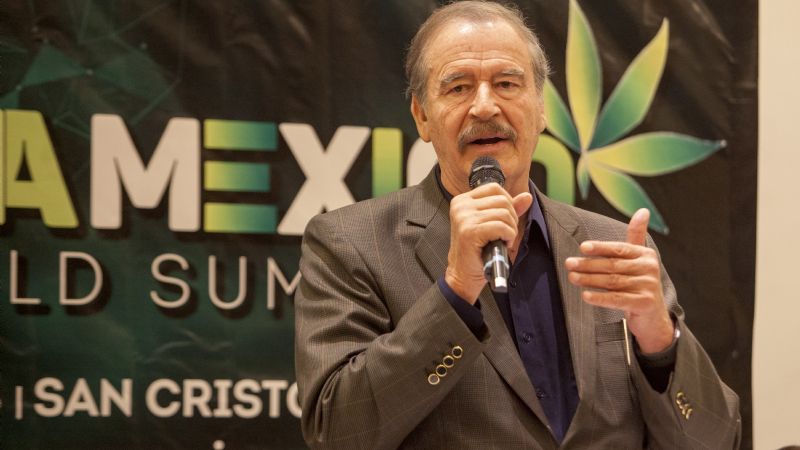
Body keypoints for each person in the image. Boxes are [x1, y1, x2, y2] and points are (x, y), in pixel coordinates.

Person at [294, 1, 741, 448]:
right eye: (458, 87)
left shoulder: (612, 245)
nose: (485, 106)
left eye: (507, 83)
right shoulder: (349, 243)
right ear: (422, 116)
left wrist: (660, 341)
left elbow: (716, 439)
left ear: (541, 109)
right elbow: (337, 432)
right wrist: (455, 293)